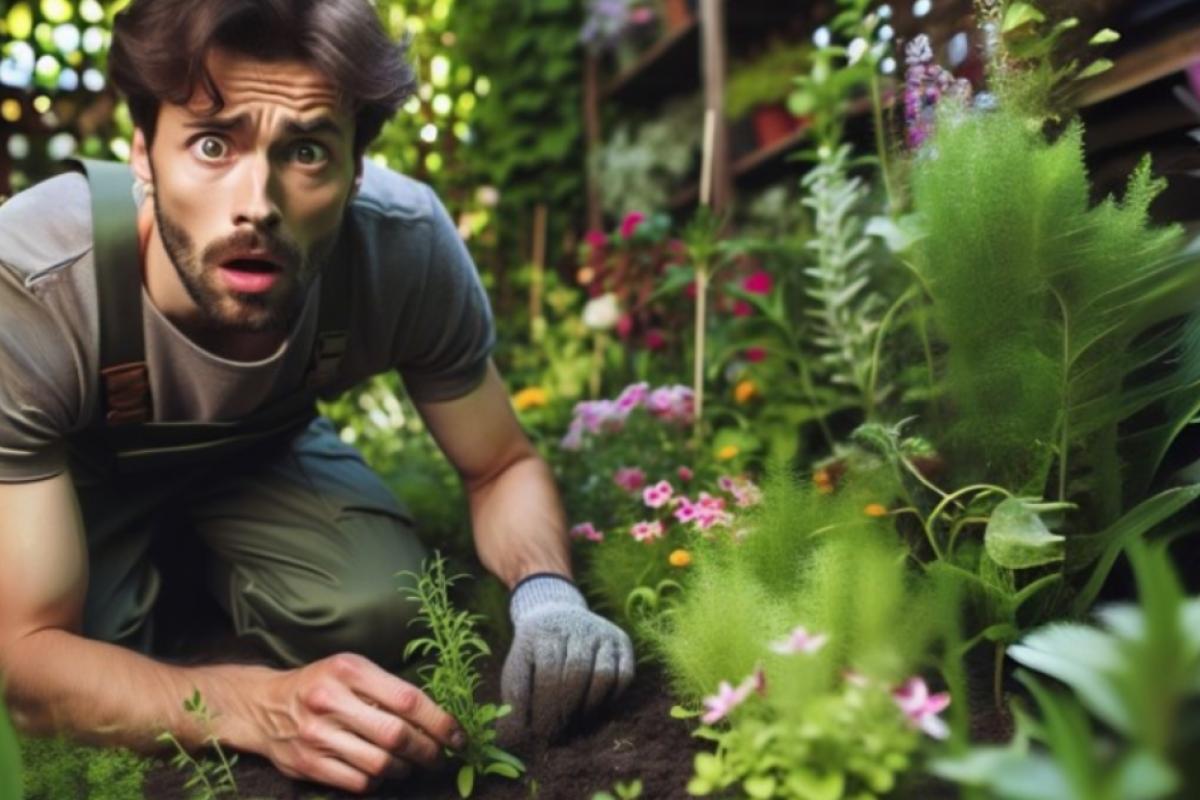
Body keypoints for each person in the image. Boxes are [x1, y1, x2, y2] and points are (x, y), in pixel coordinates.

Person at [0, 0, 634, 794]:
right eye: (210, 142)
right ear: (141, 153)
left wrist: (547, 596)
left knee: (382, 611)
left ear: (354, 171)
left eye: (305, 150)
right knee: (96, 654)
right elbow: (25, 658)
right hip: (74, 486)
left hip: (257, 458)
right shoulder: (30, 284)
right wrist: (259, 706)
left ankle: (211, 564)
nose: (256, 203)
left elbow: (500, 463)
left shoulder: (401, 246)